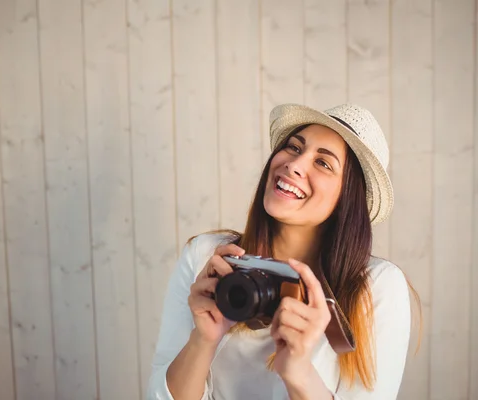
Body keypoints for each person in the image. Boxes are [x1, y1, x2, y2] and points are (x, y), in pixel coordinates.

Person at [146, 103, 419, 399]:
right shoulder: (208, 257)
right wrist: (202, 340)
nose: (295, 164)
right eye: (294, 147)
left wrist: (299, 373)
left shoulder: (378, 287)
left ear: (348, 200)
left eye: (323, 163)